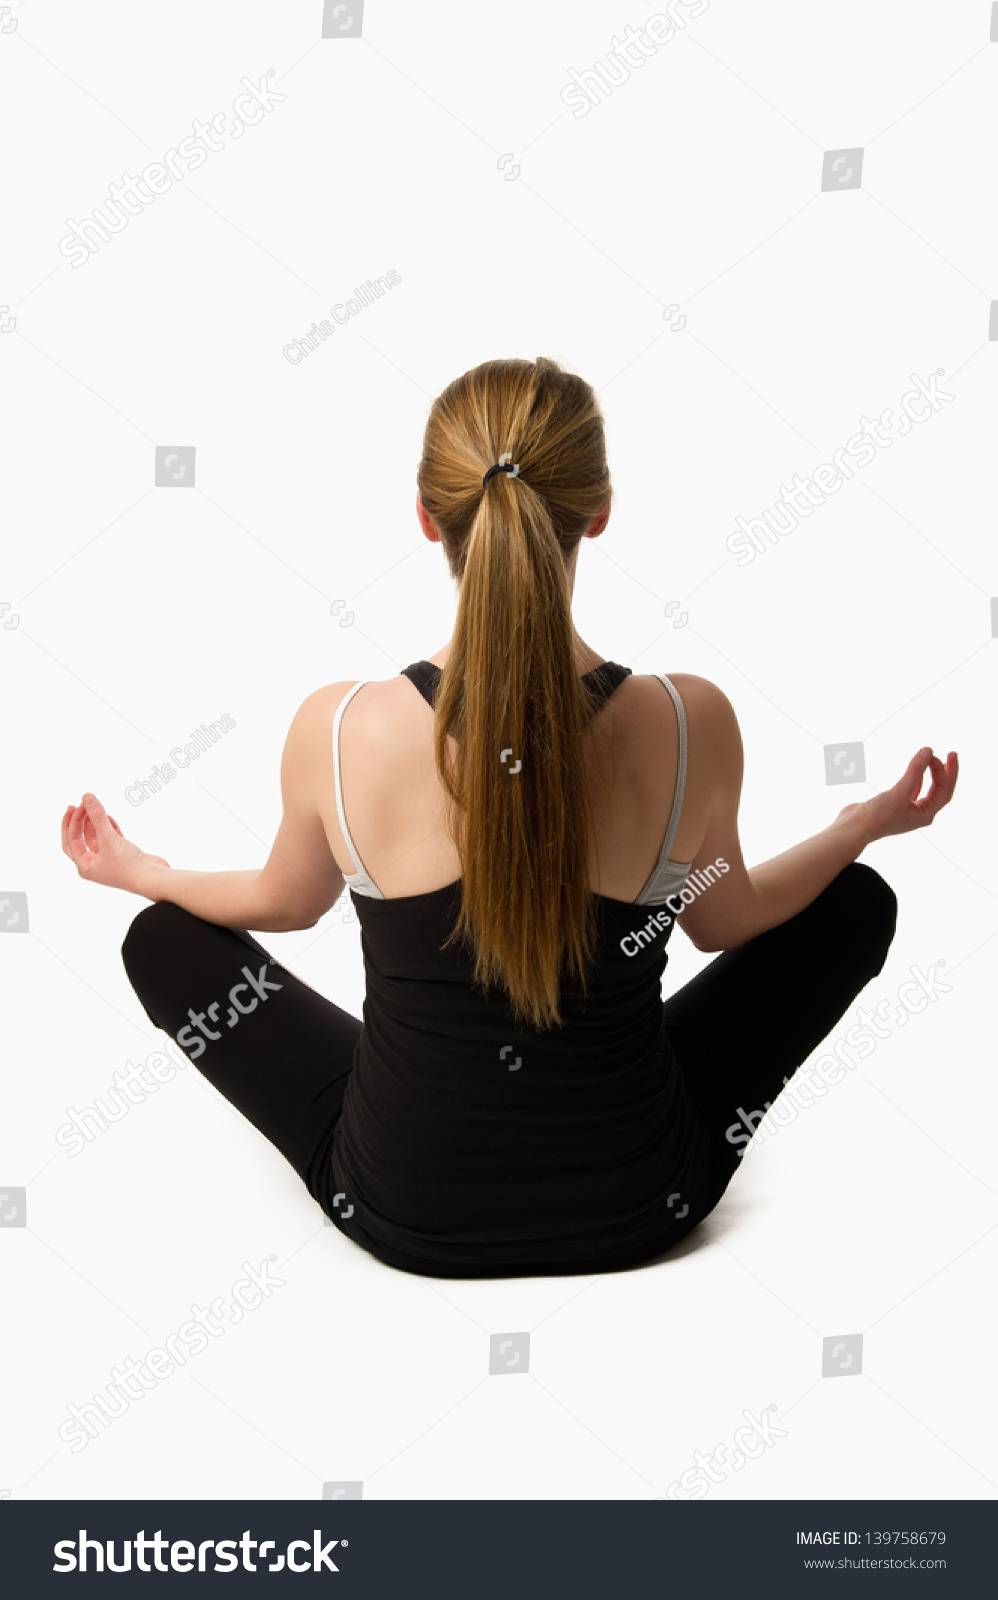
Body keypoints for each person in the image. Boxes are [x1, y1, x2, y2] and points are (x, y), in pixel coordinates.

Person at [61, 356, 959, 1280]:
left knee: (158, 941)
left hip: (402, 1205)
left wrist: (143, 873)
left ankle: (435, 1083)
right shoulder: (691, 722)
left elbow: (284, 904)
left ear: (426, 517)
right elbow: (722, 921)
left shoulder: (339, 728)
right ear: (599, 511)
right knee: (859, 904)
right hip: (645, 1201)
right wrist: (861, 827)